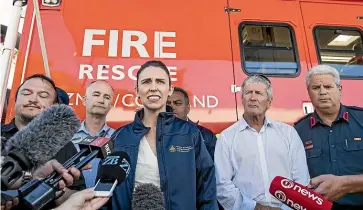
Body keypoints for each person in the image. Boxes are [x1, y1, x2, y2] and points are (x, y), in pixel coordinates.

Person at [109, 60, 217, 209]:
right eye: (147, 82)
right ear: (137, 90)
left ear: (170, 89)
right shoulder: (120, 136)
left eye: (160, 81)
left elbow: (206, 191)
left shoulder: (190, 134)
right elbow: (106, 193)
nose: (153, 88)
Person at [215, 75, 310, 210]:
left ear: (269, 102)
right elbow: (222, 185)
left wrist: (284, 209)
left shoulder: (288, 133)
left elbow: (301, 180)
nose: (253, 98)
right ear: (242, 99)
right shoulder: (226, 138)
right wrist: (255, 207)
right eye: (248, 93)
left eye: (258, 93)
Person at [0, 74, 85, 207]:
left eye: (43, 95)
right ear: (16, 100)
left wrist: (54, 187)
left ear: (54, 106)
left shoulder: (66, 146)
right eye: (26, 93)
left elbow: (76, 196)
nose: (33, 99)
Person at [294, 65, 363, 210]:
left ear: (340, 89)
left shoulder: (361, 119)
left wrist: (347, 184)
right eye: (316, 88)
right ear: (309, 92)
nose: (322, 92)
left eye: (328, 86)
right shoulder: (298, 130)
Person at [71, 80, 115, 188]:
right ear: (85, 100)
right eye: (96, 94)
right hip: (70, 200)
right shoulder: (67, 137)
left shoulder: (117, 137)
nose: (101, 100)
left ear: (110, 106)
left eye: (107, 97)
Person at [167, 86, 217, 160]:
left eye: (177, 103)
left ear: (188, 108)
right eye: (167, 104)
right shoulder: (155, 134)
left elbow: (213, 168)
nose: (172, 107)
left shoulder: (205, 135)